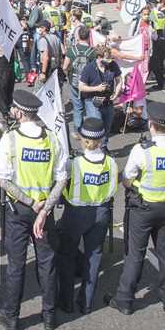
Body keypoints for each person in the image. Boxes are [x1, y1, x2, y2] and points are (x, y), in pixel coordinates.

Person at [0, 89, 66, 330]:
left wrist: (30, 202)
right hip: (44, 212)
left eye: (14, 109)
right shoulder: (52, 139)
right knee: (46, 263)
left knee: (16, 265)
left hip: (20, 210)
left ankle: (12, 317)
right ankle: (49, 316)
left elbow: (4, 180)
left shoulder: (11, 138)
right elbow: (61, 178)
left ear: (20, 113)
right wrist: (44, 208)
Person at [112, 101, 165, 315]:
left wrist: (133, 185)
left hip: (143, 208)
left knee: (135, 254)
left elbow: (127, 178)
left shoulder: (142, 150)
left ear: (151, 124)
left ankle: (125, 299)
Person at [56, 117, 117, 316]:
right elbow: (113, 189)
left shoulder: (75, 163)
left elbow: (61, 182)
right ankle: (86, 302)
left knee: (66, 255)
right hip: (101, 211)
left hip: (76, 213)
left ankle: (66, 301)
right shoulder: (110, 162)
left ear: (83, 140)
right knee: (94, 256)